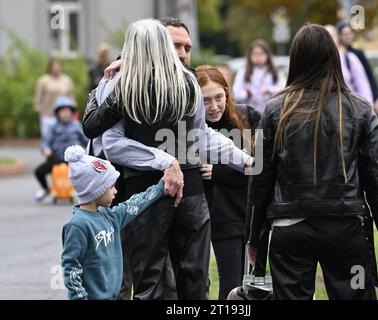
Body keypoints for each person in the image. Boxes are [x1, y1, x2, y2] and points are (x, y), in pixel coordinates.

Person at [82, 18, 253, 300]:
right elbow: (112, 144)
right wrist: (168, 161)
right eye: (176, 45)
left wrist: (244, 160)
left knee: (171, 282)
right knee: (173, 281)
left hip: (159, 192)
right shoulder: (130, 83)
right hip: (163, 193)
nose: (183, 53)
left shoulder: (176, 81)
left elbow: (198, 135)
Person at [247, 24, 378, 300]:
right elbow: (377, 180)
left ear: (295, 59)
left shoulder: (274, 110)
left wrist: (254, 238)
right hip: (347, 228)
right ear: (334, 57)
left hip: (289, 227)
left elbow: (260, 180)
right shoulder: (359, 108)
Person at [61, 145, 165, 300]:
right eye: (111, 187)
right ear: (96, 189)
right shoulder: (77, 225)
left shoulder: (110, 217)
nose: (116, 191)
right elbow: (71, 268)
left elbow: (134, 204)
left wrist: (161, 187)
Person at [196, 65, 261, 300]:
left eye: (218, 98)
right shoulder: (195, 130)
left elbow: (263, 165)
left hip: (254, 214)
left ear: (227, 93)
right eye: (205, 101)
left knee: (258, 285)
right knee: (233, 286)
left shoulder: (248, 117)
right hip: (223, 218)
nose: (213, 107)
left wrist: (218, 172)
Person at [34, 96, 88, 201]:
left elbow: (86, 140)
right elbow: (45, 142)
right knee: (39, 171)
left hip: (73, 159)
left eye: (67, 111)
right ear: (57, 113)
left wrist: (90, 150)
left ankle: (84, 192)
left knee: (86, 171)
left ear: (71, 112)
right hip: (56, 158)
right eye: (62, 111)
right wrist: (46, 149)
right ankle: (46, 189)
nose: (65, 114)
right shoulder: (53, 127)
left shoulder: (76, 125)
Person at [336, 21, 378, 115]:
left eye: (350, 33)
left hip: (360, 102)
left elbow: (369, 76)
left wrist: (376, 98)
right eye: (345, 34)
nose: (348, 37)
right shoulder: (336, 55)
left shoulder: (357, 54)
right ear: (339, 36)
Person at [232, 39, 286, 113]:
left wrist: (270, 90)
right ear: (250, 55)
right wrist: (247, 94)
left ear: (267, 55)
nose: (258, 57)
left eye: (261, 54)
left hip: (271, 112)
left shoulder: (276, 72)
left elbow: (284, 90)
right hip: (249, 113)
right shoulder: (243, 72)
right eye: (255, 54)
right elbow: (236, 92)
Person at [325, 25, 374, 106]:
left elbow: (362, 86)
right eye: (327, 36)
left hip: (351, 110)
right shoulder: (319, 61)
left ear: (338, 38)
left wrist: (368, 111)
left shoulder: (349, 58)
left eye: (332, 36)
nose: (330, 39)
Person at [34, 57, 75, 138]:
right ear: (50, 67)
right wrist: (38, 107)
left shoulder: (66, 80)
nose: (55, 68)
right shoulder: (43, 80)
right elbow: (38, 96)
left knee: (62, 139)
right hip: (48, 115)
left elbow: (71, 97)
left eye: (57, 66)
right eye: (53, 66)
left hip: (63, 116)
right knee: (48, 138)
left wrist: (73, 110)